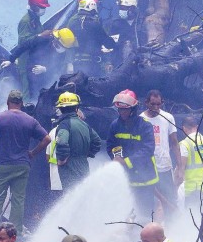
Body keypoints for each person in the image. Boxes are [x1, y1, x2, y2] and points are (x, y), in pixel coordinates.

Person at [0, 90, 50, 235]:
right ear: (21, 103)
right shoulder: (30, 120)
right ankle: (15, 234)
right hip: (22, 166)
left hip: (2, 166)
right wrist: (32, 153)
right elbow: (47, 139)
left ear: (8, 103)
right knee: (18, 200)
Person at [106, 90, 158, 223]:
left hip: (145, 179)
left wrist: (127, 161)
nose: (122, 112)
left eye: (125, 110)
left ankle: (146, 233)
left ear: (133, 109)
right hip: (126, 178)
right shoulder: (115, 125)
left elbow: (148, 150)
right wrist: (116, 157)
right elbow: (111, 145)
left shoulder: (145, 125)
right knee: (126, 212)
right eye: (120, 109)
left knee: (145, 215)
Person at [0, 29, 76, 103]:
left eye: (64, 48)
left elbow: (58, 67)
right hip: (29, 70)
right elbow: (24, 46)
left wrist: (45, 69)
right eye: (60, 46)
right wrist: (11, 60)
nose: (61, 49)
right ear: (55, 40)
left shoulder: (62, 53)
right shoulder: (42, 40)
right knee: (30, 91)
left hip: (45, 77)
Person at [140, 90, 182, 218]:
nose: (156, 107)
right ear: (146, 103)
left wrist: (180, 167)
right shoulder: (141, 119)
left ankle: (171, 227)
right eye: (153, 104)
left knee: (170, 200)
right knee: (147, 203)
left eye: (159, 104)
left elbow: (174, 143)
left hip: (165, 166)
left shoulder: (168, 117)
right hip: (148, 168)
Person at [54, 90, 101, 191]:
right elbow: (97, 142)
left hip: (69, 166)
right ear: (76, 108)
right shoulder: (85, 124)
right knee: (84, 193)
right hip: (83, 164)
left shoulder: (64, 125)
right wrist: (87, 154)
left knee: (71, 192)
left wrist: (62, 159)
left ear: (61, 108)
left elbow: (62, 142)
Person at [14, 0, 51, 102]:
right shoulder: (26, 22)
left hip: (33, 58)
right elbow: (23, 42)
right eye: (42, 7)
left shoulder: (35, 18)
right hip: (25, 60)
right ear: (34, 7)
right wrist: (40, 36)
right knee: (26, 90)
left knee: (34, 87)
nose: (44, 9)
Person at [67, 0, 116, 76]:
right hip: (91, 64)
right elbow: (107, 43)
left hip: (75, 63)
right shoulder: (94, 24)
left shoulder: (72, 22)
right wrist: (115, 44)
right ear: (92, 8)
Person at [108, 0, 139, 66]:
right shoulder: (116, 24)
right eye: (120, 8)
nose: (121, 11)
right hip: (119, 62)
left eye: (123, 8)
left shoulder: (141, 22)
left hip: (138, 61)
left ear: (132, 8)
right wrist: (109, 62)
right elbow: (110, 44)